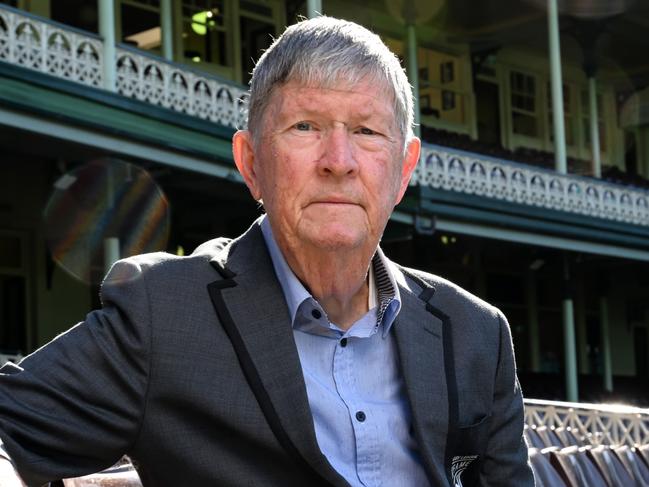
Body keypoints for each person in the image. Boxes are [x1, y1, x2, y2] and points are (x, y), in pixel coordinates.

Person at [0, 16, 534, 487]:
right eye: (305, 126)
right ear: (251, 161)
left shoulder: (477, 334)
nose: (339, 161)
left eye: (368, 131)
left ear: (403, 171)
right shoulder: (162, 317)